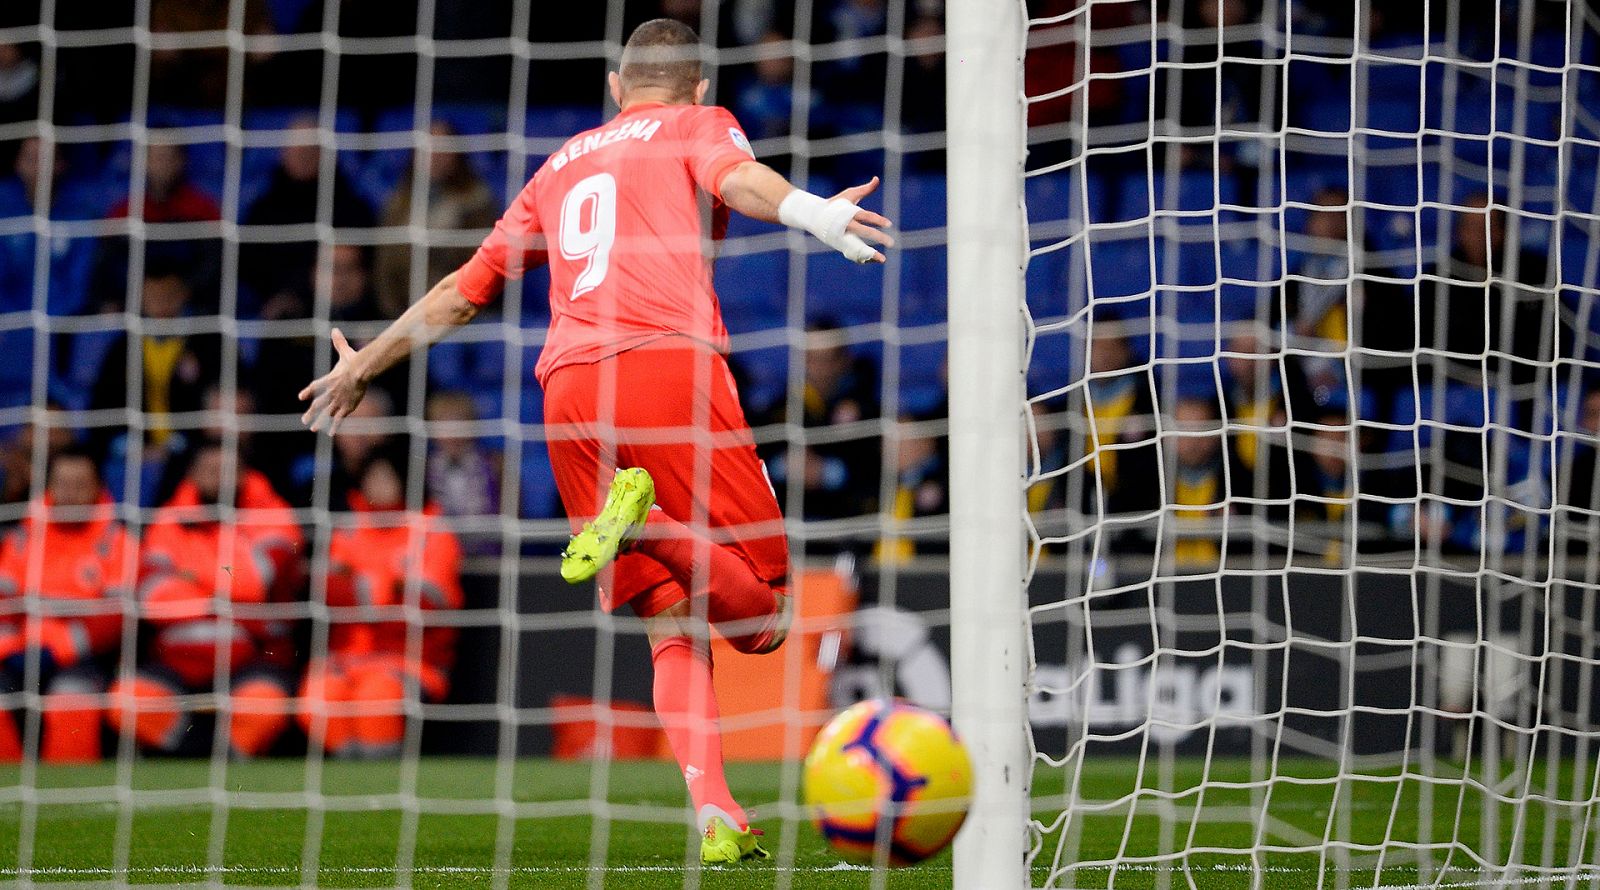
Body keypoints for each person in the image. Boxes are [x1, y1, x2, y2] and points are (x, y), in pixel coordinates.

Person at [297, 18, 892, 864]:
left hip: (570, 391)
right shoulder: (698, 122)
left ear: (616, 88)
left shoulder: (560, 163)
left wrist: (368, 367)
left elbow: (463, 294)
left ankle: (716, 813)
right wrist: (813, 215)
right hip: (668, 368)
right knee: (766, 621)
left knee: (669, 623)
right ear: (696, 86)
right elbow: (738, 177)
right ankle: (648, 526)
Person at [107, 441, 303, 757]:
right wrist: (220, 591)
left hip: (253, 657)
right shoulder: (168, 520)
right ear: (192, 474)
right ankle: (192, 755)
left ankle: (224, 759)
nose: (218, 478)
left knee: (264, 705)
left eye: (226, 471)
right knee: (126, 701)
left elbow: (253, 583)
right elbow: (152, 596)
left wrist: (188, 575)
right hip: (175, 659)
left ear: (244, 474)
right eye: (209, 470)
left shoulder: (276, 517)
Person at [299, 453, 463, 758]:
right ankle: (347, 780)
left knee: (377, 697)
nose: (378, 486)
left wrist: (368, 587)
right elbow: (329, 592)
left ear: (405, 481)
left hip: (413, 659)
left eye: (386, 478)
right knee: (319, 697)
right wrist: (387, 585)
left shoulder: (432, 531)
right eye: (371, 478)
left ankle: (381, 784)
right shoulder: (348, 530)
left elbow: (433, 602)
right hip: (347, 657)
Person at [0, 447, 131, 762]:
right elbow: (5, 604)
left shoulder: (117, 539)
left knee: (71, 698)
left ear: (98, 487)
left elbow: (113, 619)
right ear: (49, 487)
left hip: (85, 657)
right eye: (63, 484)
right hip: (21, 652)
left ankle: (68, 797)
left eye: (80, 484)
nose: (70, 493)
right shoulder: (22, 537)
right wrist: (16, 647)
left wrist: (60, 647)